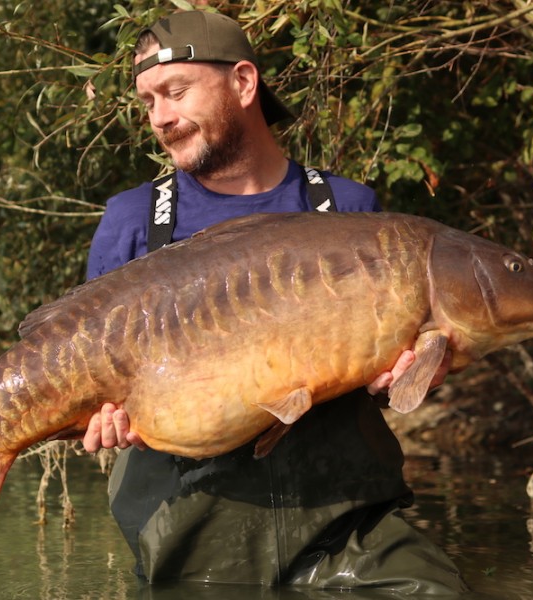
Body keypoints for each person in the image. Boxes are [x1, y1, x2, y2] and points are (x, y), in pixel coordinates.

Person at [82, 10, 467, 594]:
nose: (161, 118)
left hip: (346, 526)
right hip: (196, 541)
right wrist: (99, 420)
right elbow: (93, 382)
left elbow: (379, 385)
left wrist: (405, 379)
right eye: (148, 101)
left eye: (176, 92)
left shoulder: (346, 207)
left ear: (243, 82)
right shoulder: (134, 222)